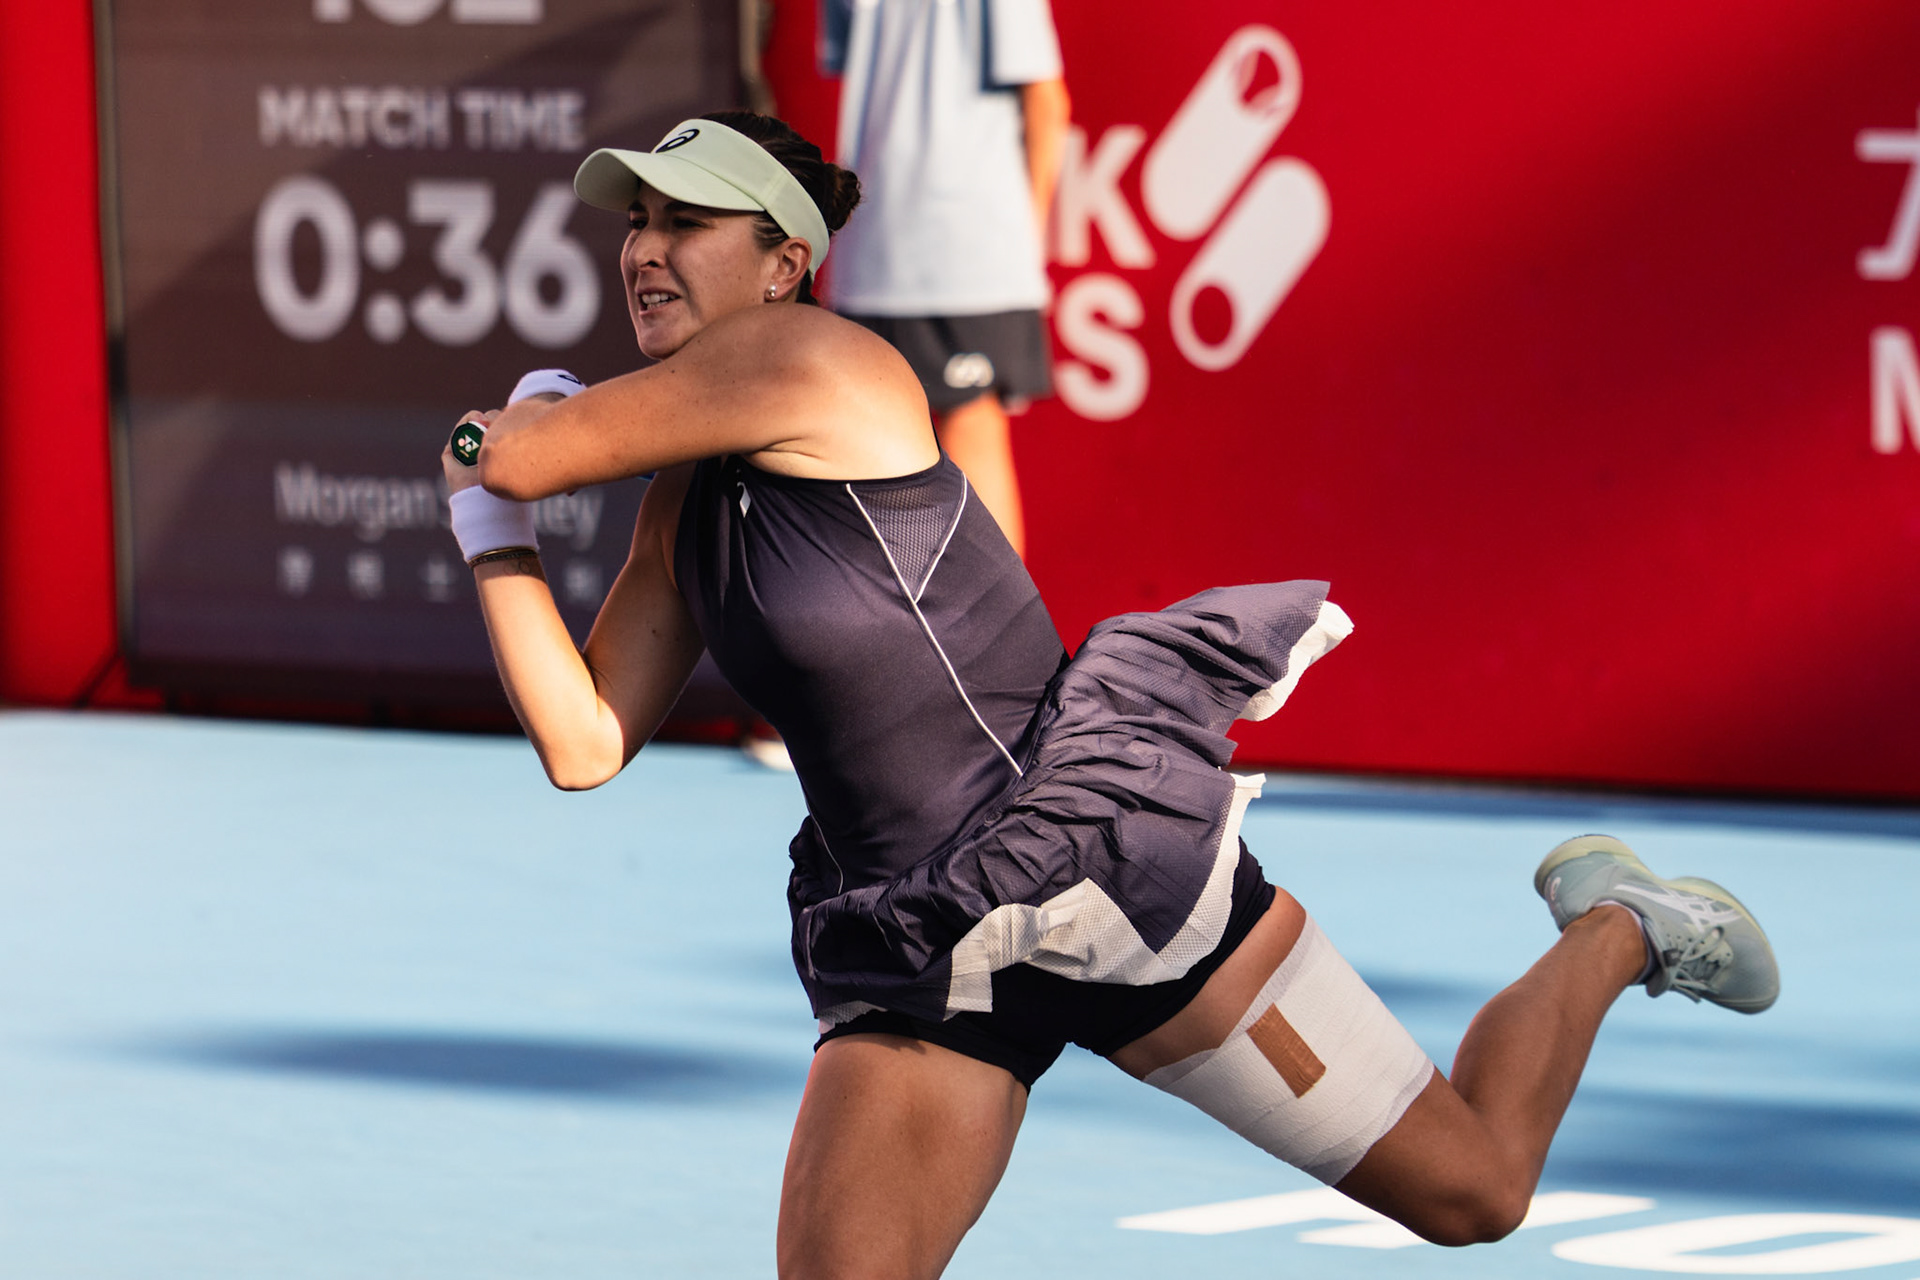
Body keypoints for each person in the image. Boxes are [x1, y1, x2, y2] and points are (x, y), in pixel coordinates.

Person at [440, 111, 1779, 1280]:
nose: (645, 247)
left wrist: (505, 443)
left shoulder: (813, 362)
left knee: (1475, 1190)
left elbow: (535, 450)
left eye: (692, 222)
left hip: (1093, 872)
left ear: (788, 263)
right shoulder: (681, 507)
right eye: (639, 223)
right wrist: (486, 531)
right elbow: (585, 736)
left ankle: (1619, 927)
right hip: (924, 951)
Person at [819, 0, 1070, 558]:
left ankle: (992, 643)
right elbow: (1048, 102)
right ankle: (975, 644)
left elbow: (1044, 103)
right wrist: (1018, 241)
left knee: (909, 441)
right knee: (917, 445)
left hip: (893, 250)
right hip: (922, 252)